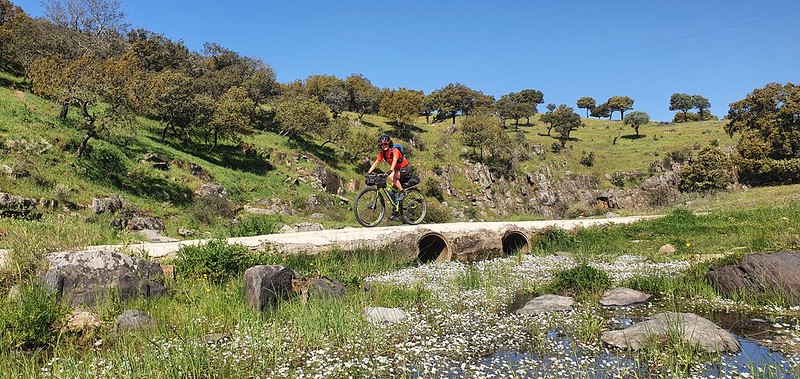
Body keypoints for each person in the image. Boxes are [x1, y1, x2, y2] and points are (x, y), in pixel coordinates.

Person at [367, 134, 409, 201]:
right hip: (396, 170)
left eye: (385, 144)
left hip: (404, 168)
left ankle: (403, 192)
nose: (384, 146)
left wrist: (390, 170)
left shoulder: (395, 150)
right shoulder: (382, 153)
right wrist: (368, 172)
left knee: (391, 176)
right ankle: (397, 205)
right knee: (393, 190)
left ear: (389, 143)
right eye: (382, 145)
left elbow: (395, 160)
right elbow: (376, 162)